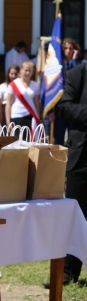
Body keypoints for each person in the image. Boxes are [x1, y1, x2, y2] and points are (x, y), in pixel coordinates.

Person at [54, 62, 87, 286]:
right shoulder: (77, 74)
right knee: (75, 216)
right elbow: (63, 107)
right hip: (81, 157)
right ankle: (67, 273)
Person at [5, 60, 41, 130]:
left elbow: (37, 103)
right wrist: (8, 121)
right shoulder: (13, 84)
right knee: (18, 140)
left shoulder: (35, 85)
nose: (27, 73)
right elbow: (8, 104)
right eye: (26, 70)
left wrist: (38, 118)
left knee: (30, 140)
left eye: (30, 71)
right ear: (21, 70)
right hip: (17, 115)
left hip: (31, 116)